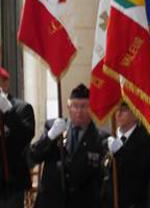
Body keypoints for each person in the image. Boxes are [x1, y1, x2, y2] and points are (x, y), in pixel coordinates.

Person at [31, 84, 109, 208]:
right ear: (68, 107)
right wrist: (50, 136)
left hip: (84, 202)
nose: (79, 111)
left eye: (84, 106)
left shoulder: (101, 139)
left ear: (91, 108)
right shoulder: (54, 128)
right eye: (75, 106)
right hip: (52, 201)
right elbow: (34, 156)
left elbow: (104, 178)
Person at [101, 102, 150, 208]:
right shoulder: (107, 141)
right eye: (117, 109)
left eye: (124, 110)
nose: (118, 114)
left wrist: (120, 152)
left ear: (136, 112)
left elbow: (139, 172)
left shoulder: (146, 140)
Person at [0, 67, 35, 208]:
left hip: (12, 182)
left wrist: (8, 110)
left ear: (6, 84)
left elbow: (24, 137)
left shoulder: (22, 108)